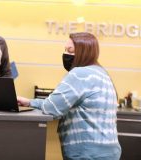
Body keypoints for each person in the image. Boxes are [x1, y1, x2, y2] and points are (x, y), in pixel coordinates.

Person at [17, 32, 121, 160]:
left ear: (83, 52)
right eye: (65, 50)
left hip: (87, 153)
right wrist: (29, 102)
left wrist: (31, 103)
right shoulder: (102, 73)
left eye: (70, 51)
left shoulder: (80, 73)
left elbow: (52, 108)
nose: (66, 55)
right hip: (109, 151)